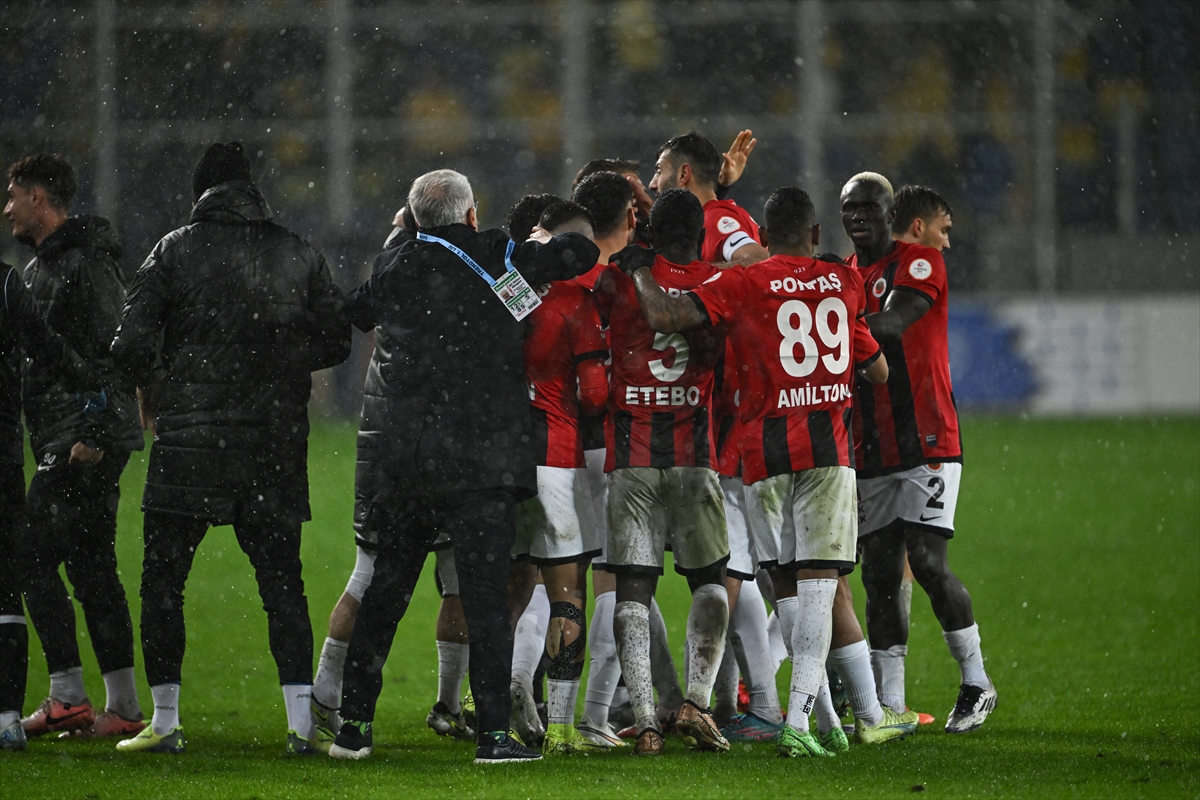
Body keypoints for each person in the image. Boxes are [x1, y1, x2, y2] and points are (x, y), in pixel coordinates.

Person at [624, 186, 907, 757]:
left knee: (786, 591)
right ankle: (802, 722)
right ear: (817, 234)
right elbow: (876, 371)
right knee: (822, 590)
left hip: (761, 454)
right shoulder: (844, 281)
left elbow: (666, 315)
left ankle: (819, 722)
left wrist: (641, 273)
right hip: (829, 454)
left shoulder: (743, 283)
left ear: (761, 236)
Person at [329, 169, 600, 764]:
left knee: (387, 592)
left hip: (406, 460)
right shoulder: (497, 252)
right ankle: (493, 736)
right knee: (485, 600)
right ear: (471, 215)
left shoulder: (395, 265)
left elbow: (354, 311)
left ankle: (353, 727)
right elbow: (579, 253)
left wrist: (403, 240)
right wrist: (535, 245)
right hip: (482, 460)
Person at [109, 141, 350, 755]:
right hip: (271, 446)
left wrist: (165, 384)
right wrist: (279, 368)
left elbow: (129, 343)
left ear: (201, 193)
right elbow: (337, 338)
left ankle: (164, 723)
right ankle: (300, 727)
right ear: (251, 189)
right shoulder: (297, 251)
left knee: (163, 583)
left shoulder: (173, 250)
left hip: (189, 441)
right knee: (282, 586)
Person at [840, 172, 997, 734]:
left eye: (868, 208)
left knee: (927, 563)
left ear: (892, 217)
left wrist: (833, 325)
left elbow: (897, 321)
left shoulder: (918, 260)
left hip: (928, 438)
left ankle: (977, 683)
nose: (858, 218)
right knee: (880, 576)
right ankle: (890, 704)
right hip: (872, 446)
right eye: (849, 209)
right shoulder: (847, 276)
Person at [4, 154, 146, 740]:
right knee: (91, 568)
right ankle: (124, 706)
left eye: (12, 195)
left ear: (39, 198)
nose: (6, 207)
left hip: (81, 437)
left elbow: (119, 351)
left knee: (27, 558)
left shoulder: (86, 266)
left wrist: (96, 432)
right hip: (64, 433)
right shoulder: (43, 269)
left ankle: (68, 695)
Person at [588, 188, 731, 756]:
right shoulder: (718, 281)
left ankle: (646, 721)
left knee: (633, 590)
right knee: (710, 582)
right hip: (695, 456)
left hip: (633, 457)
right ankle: (697, 702)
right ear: (700, 233)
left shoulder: (618, 279)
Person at [570, 171, 686, 747]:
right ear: (632, 217)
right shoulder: (626, 280)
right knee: (620, 581)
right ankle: (593, 715)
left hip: (568, 443)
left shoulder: (570, 275)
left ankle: (664, 698)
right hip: (616, 444)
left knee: (624, 578)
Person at [0, 261, 101, 752]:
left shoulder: (19, 281)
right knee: (12, 580)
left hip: (26, 449)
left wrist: (96, 405)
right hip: (7, 455)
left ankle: (42, 704)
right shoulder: (7, 283)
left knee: (24, 567)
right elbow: (48, 347)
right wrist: (94, 390)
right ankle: (8, 719)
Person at [648, 132, 768, 267]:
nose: (652, 184)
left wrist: (695, 273)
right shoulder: (710, 216)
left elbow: (759, 261)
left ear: (683, 174)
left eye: (659, 171)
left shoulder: (716, 220)